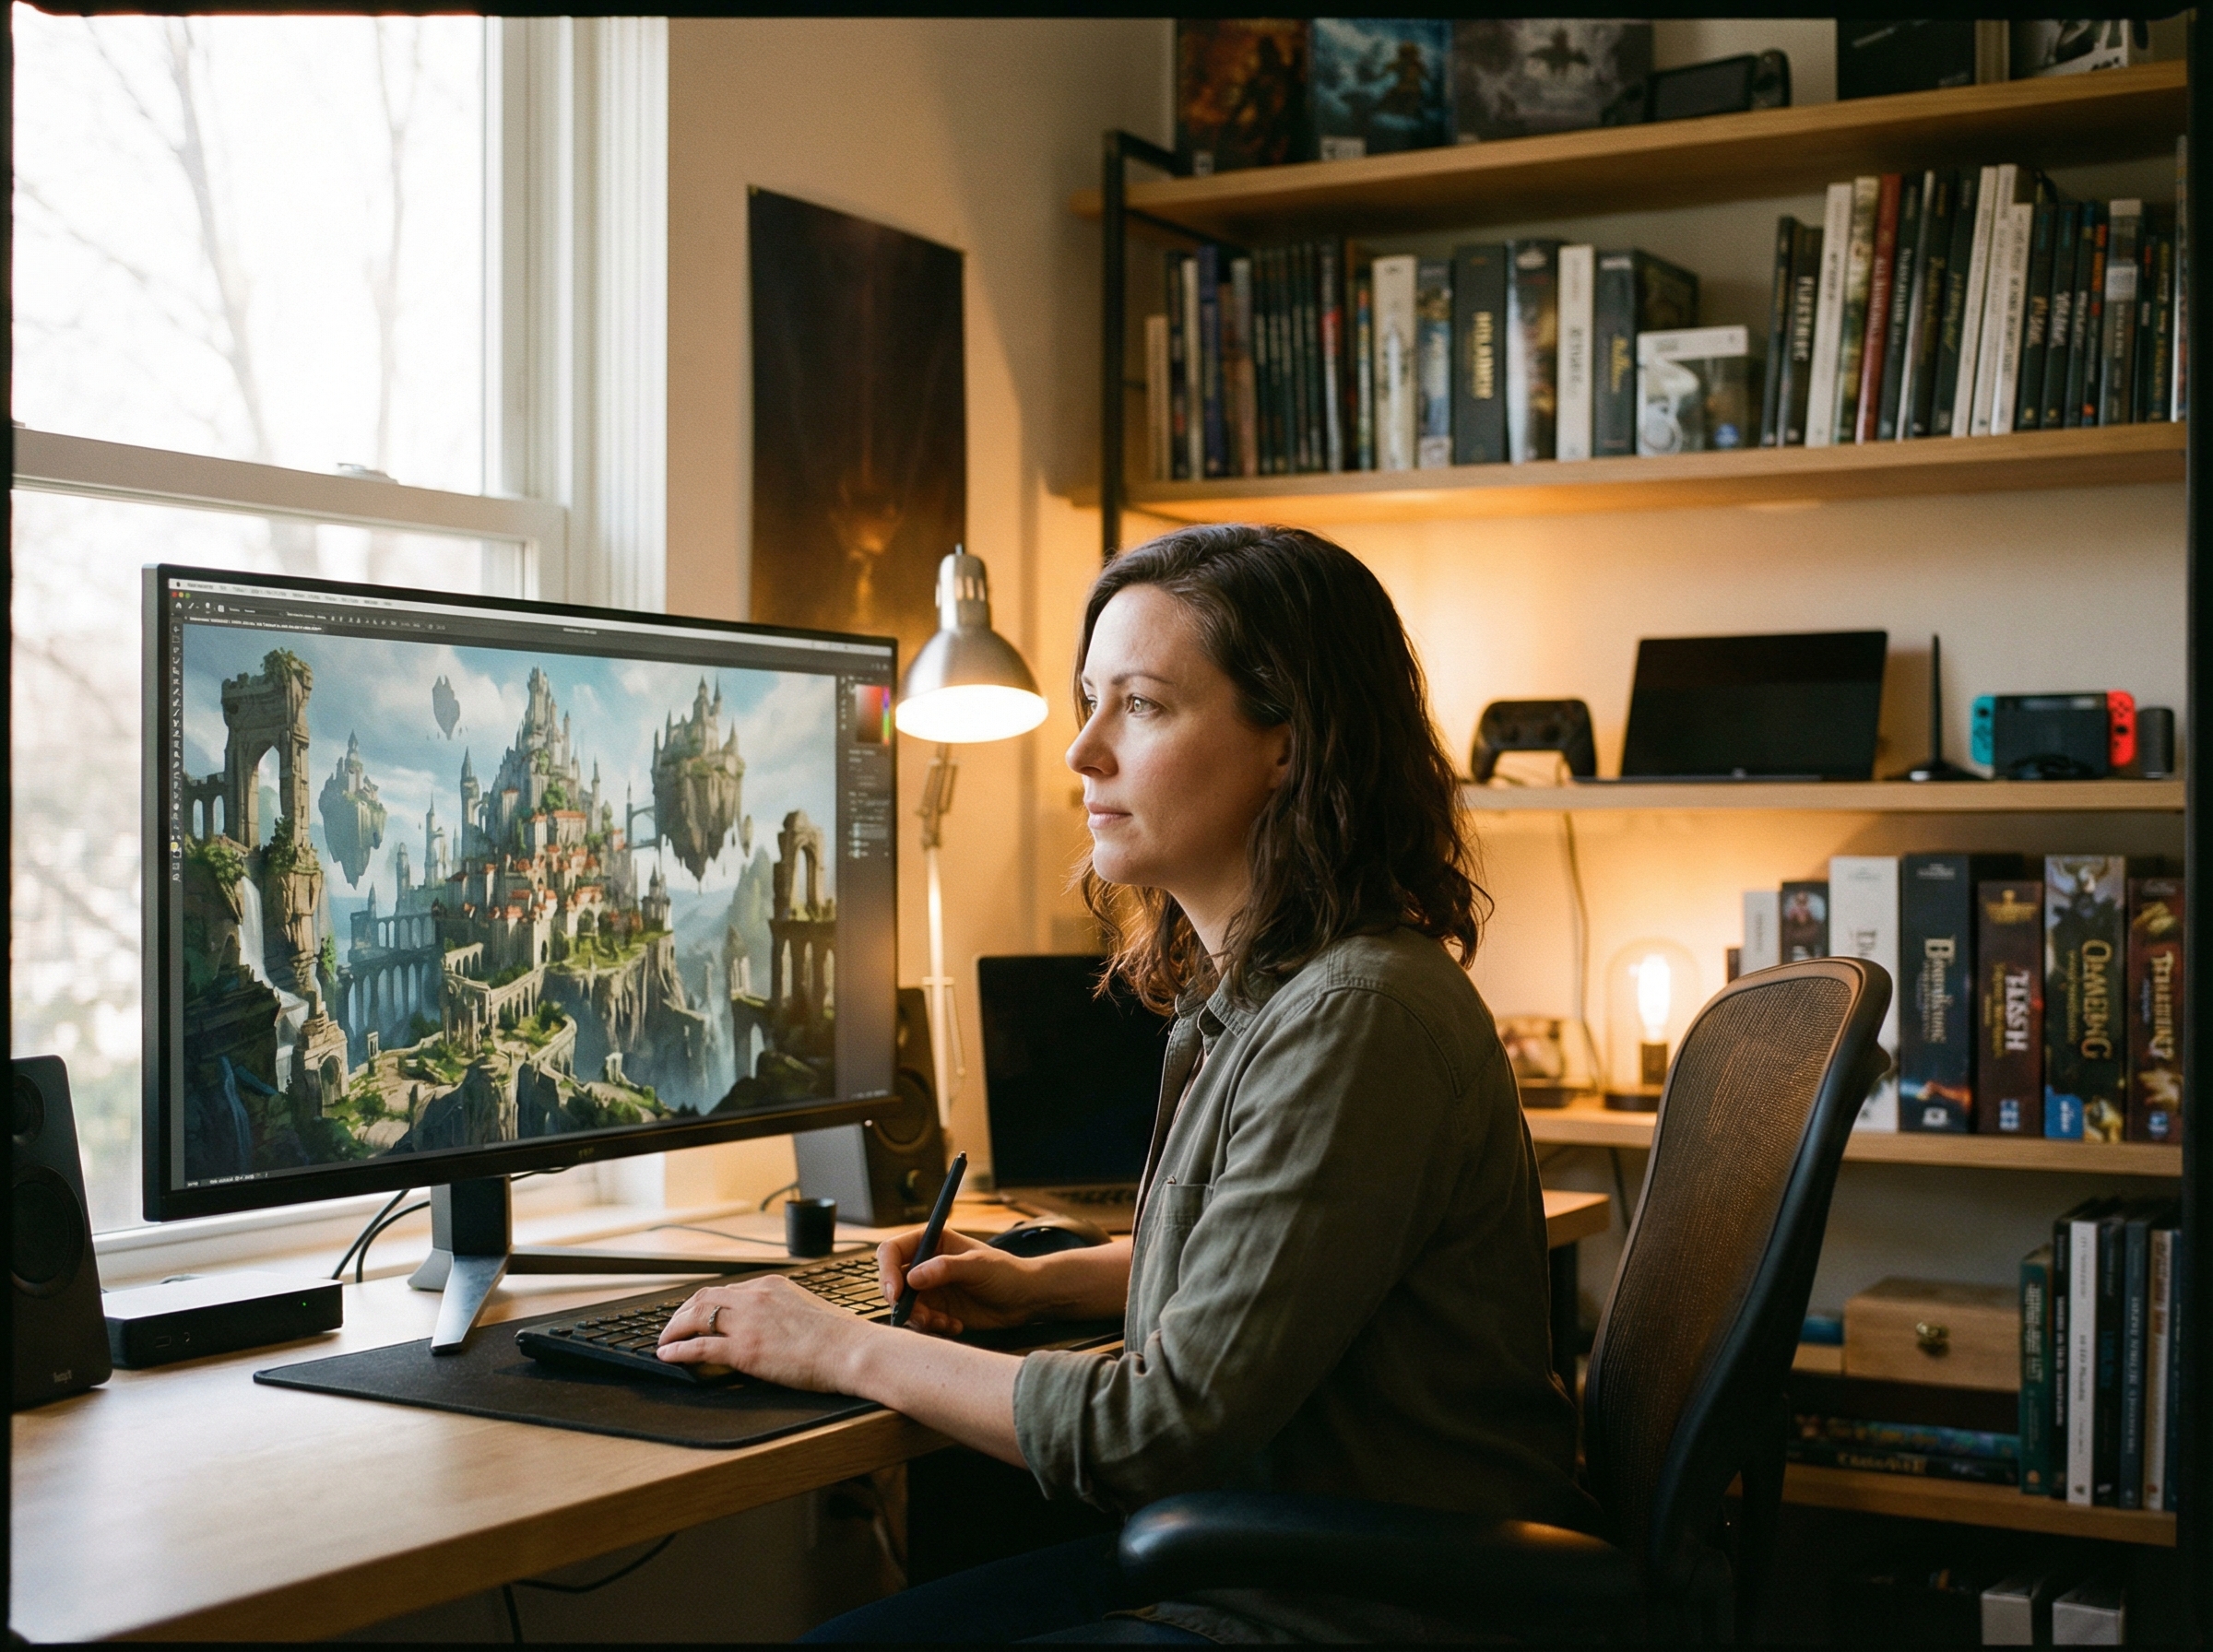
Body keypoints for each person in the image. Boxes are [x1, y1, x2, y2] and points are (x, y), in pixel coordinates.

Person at [657, 524, 1593, 1641]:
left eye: (1141, 705)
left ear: (1289, 745)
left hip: (1338, 1614)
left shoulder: (1357, 1018)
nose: (1082, 751)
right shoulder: (1276, 992)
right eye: (1088, 701)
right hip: (1262, 1567)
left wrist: (837, 1345)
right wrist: (1039, 1284)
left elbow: (1156, 1425)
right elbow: (1265, 1270)